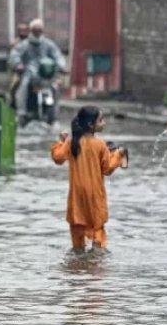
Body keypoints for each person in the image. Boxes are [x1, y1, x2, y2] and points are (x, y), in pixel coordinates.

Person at [51, 106, 127, 252]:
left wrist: (61, 141)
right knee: (98, 231)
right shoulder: (100, 145)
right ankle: (95, 267)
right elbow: (107, 169)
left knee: (77, 239)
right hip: (94, 198)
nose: (104, 123)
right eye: (101, 120)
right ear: (91, 125)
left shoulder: (71, 142)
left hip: (77, 198)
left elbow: (58, 158)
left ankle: (77, 268)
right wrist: (118, 155)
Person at [9, 18, 67, 126]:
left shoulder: (48, 44)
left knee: (55, 87)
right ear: (31, 30)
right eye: (35, 30)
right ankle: (21, 113)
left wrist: (61, 66)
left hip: (46, 76)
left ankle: (54, 117)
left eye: (39, 30)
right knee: (23, 86)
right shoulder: (24, 44)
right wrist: (18, 64)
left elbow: (57, 55)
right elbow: (14, 55)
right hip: (29, 74)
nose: (37, 32)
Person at [7, 22, 29, 108]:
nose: (23, 32)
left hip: (30, 68)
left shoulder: (31, 41)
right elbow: (13, 57)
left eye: (25, 30)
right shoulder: (15, 43)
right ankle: (13, 102)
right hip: (19, 70)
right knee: (14, 85)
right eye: (21, 30)